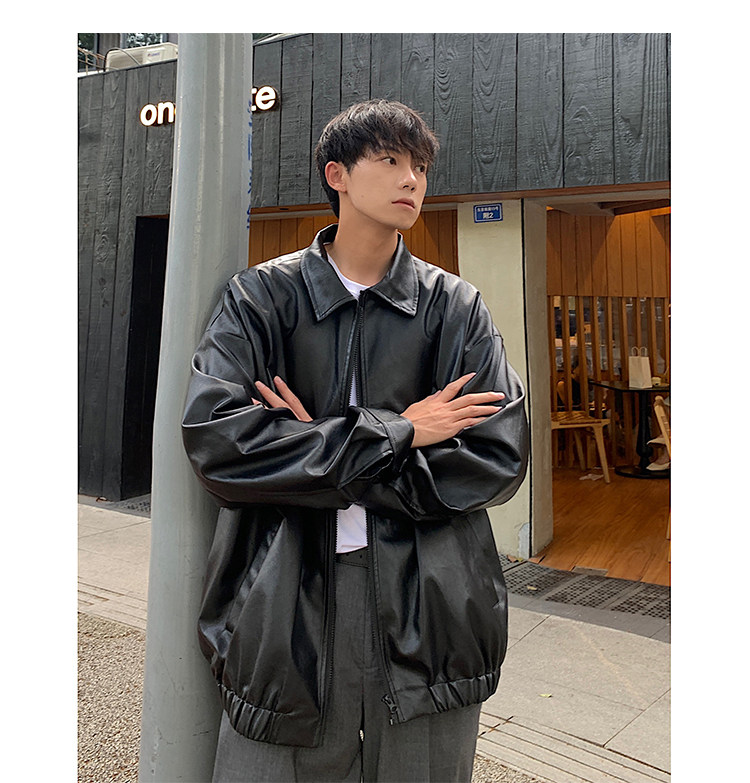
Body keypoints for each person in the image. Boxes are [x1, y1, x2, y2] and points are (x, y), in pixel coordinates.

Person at [182, 99, 529, 782]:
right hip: (284, 601)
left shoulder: (455, 307)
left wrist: (312, 446)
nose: (412, 179)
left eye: (420, 165)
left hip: (431, 605)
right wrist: (402, 431)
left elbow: (495, 456)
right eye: (391, 160)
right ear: (336, 174)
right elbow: (219, 445)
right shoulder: (261, 300)